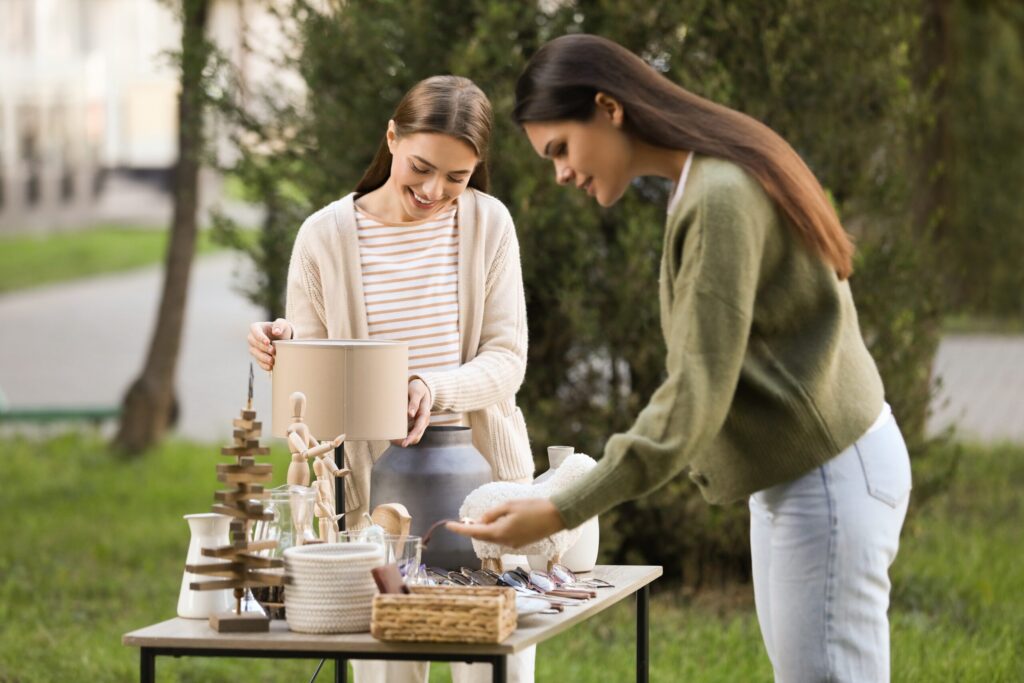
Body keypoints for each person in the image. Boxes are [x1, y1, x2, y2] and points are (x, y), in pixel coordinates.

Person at [449, 35, 912, 683]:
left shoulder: (718, 196)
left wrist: (560, 509)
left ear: (608, 108)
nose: (559, 172)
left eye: (560, 148)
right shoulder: (706, 180)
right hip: (805, 476)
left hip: (827, 478)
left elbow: (692, 399)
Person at [248, 75, 536, 683]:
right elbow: (314, 386)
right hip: (369, 507)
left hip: (485, 493)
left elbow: (509, 358)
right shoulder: (323, 237)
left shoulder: (490, 225)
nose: (434, 191)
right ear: (391, 137)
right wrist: (285, 350)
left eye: (457, 178)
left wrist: (433, 388)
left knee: (491, 672)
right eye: (421, 168)